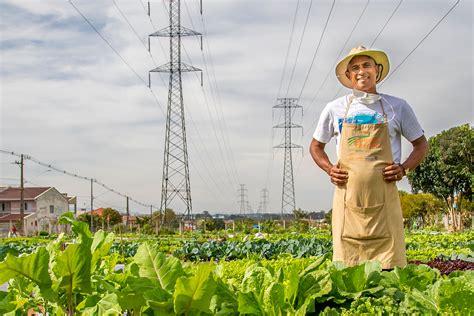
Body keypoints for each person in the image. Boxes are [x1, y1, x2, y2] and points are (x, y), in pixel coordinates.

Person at [309, 46, 428, 269]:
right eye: (355, 68)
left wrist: (404, 169)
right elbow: (316, 146)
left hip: (385, 197)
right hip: (347, 198)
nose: (361, 71)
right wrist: (329, 169)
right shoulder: (335, 109)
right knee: (347, 268)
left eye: (366, 65)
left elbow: (421, 145)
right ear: (348, 76)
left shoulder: (397, 107)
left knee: (389, 268)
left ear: (377, 70)